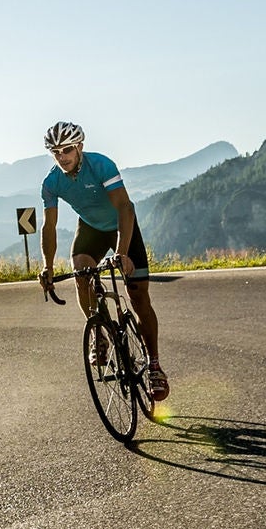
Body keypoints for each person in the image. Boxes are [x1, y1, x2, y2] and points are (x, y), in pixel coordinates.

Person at [38, 120, 168, 401]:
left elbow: (124, 207)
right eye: (56, 152)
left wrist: (121, 252)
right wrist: (47, 266)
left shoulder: (101, 166)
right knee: (81, 274)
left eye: (67, 150)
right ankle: (99, 331)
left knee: (139, 297)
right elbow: (49, 227)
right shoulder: (51, 183)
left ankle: (154, 364)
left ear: (80, 147)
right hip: (91, 230)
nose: (62, 157)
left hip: (123, 227)